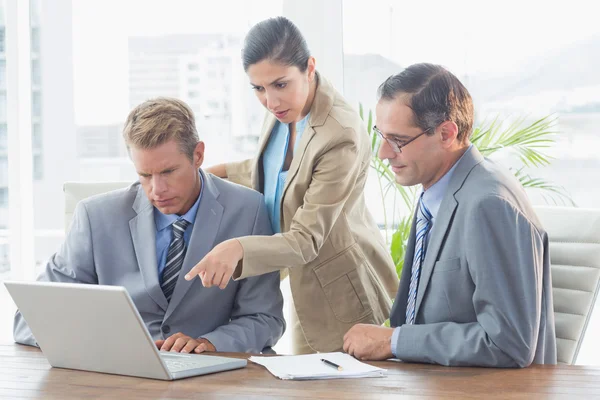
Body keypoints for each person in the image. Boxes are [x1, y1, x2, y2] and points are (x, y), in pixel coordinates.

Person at [188, 16, 398, 354]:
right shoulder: (286, 109)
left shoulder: (339, 133)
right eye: (258, 88)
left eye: (280, 84)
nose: (270, 101)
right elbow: (279, 171)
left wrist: (237, 249)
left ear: (309, 67)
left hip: (336, 291)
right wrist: (208, 174)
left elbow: (306, 240)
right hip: (295, 279)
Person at [14, 97, 285, 354]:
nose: (157, 190)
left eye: (168, 172)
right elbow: (29, 320)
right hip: (118, 372)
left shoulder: (248, 210)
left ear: (198, 155)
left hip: (208, 373)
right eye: (145, 175)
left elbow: (265, 318)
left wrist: (208, 344)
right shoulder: (95, 217)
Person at [343, 63, 557, 367]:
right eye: (381, 135)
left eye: (398, 140)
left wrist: (394, 341)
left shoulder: (489, 204)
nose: (383, 153)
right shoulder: (435, 190)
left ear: (446, 133)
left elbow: (508, 343)